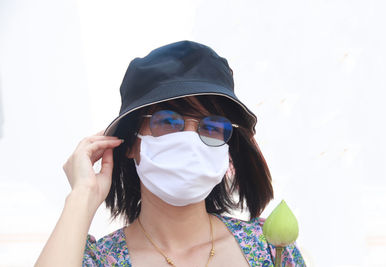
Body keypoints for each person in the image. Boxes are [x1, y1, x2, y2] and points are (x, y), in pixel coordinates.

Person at [35, 40, 306, 267]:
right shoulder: (97, 261)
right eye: (167, 122)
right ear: (131, 143)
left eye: (210, 127)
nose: (190, 140)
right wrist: (82, 196)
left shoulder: (271, 250)